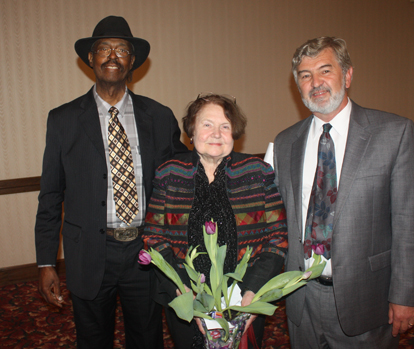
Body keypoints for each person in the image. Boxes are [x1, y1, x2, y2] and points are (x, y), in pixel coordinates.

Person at [35, 16, 187, 349]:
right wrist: (46, 262)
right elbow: (50, 195)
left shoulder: (159, 116)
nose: (112, 56)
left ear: (133, 61)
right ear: (91, 58)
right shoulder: (62, 120)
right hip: (88, 251)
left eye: (121, 49)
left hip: (145, 253)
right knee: (92, 339)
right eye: (104, 48)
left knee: (147, 338)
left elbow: (181, 181)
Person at [273, 37, 414, 348]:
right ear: (297, 85)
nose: (315, 83)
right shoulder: (286, 142)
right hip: (301, 297)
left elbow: (408, 223)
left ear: (348, 75)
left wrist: (405, 295)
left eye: (325, 71)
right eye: (305, 75)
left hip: (367, 298)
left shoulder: (394, 133)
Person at [143, 93, 288, 348]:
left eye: (225, 126)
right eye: (207, 125)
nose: (216, 133)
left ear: (234, 133)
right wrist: (181, 287)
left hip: (244, 297)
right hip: (186, 296)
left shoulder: (257, 173)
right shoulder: (169, 173)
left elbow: (278, 238)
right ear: (192, 131)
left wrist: (252, 292)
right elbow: (154, 236)